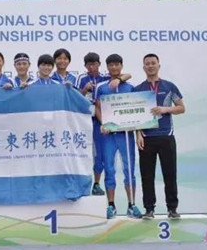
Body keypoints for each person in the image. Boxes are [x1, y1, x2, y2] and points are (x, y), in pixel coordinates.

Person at [133, 53, 186, 219]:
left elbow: (181, 108)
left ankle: (172, 208)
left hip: (166, 135)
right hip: (146, 137)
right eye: (147, 64)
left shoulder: (169, 86)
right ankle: (149, 209)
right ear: (143, 67)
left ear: (158, 65)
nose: (150, 66)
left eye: (153, 63)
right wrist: (138, 134)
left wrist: (165, 109)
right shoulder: (138, 89)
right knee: (147, 176)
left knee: (170, 174)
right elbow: (135, 116)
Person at [76, 52, 131, 196]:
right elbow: (75, 96)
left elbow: (127, 75)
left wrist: (119, 79)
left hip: (100, 121)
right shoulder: (81, 78)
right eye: (89, 64)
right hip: (82, 120)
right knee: (82, 153)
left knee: (100, 154)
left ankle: (96, 183)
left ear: (99, 64)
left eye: (94, 64)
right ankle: (82, 184)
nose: (91, 67)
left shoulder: (106, 78)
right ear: (85, 66)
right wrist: (85, 89)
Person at [94, 54, 141, 219]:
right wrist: (104, 123)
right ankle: (111, 205)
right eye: (111, 65)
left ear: (121, 65)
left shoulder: (130, 87)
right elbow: (97, 108)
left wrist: (138, 133)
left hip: (126, 134)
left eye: (117, 65)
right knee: (109, 168)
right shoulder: (101, 87)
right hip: (108, 135)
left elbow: (137, 112)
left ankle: (132, 204)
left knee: (129, 169)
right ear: (107, 67)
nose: (114, 67)